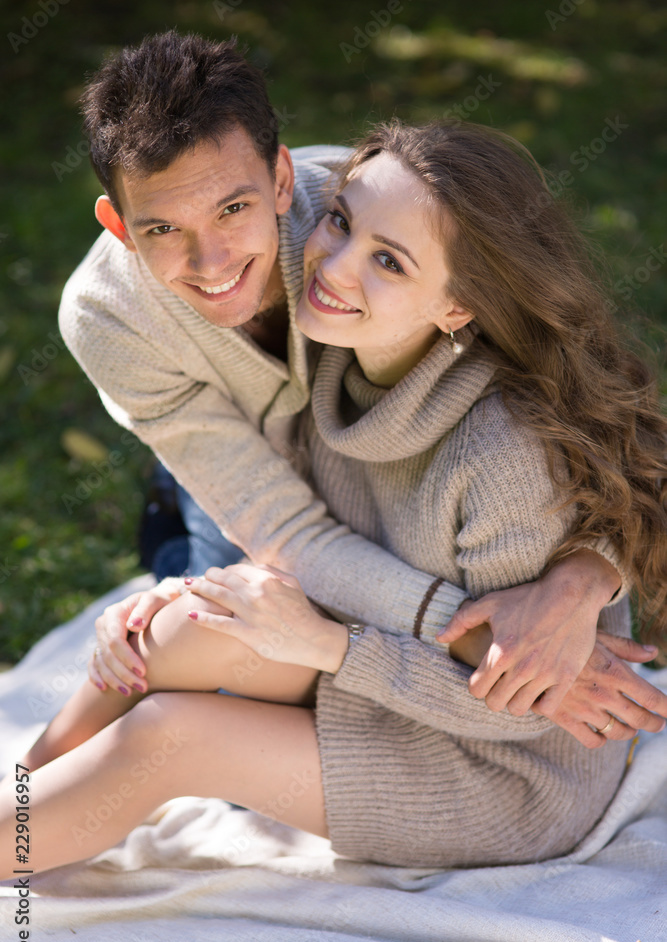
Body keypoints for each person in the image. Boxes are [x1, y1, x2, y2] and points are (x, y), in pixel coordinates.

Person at [2, 118, 666, 876]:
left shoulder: (501, 459)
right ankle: (28, 777)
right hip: (388, 669)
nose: (335, 267)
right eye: (342, 224)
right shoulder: (341, 353)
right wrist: (213, 597)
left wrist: (330, 647)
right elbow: (290, 529)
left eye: (388, 261)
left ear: (457, 307)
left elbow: (511, 703)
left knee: (166, 738)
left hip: (503, 767)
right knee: (186, 623)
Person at [59, 29, 645, 722]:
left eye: (233, 209)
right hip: (234, 468)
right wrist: (484, 637)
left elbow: (594, 403)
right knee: (194, 645)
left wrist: (582, 581)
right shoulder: (107, 316)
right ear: (118, 227)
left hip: (372, 497)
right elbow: (287, 531)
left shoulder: (371, 213)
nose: (211, 261)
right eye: (162, 230)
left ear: (280, 180)